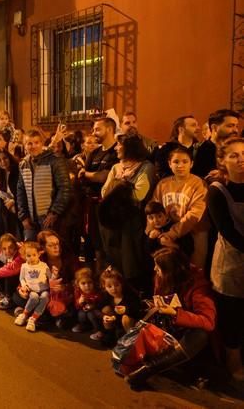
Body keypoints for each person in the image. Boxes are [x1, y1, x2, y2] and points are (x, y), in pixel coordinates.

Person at [125, 248, 216, 389]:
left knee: (200, 335)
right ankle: (139, 360)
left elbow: (208, 321)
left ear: (171, 270)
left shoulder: (198, 285)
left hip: (186, 326)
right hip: (169, 322)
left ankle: (147, 370)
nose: (155, 269)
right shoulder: (162, 277)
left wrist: (175, 313)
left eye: (158, 266)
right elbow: (159, 297)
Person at [207, 137, 244, 381]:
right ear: (222, 160)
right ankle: (233, 360)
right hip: (231, 263)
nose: (241, 160)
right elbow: (228, 230)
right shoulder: (217, 191)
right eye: (234, 155)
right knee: (233, 315)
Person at [100, 134, 156, 292]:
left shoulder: (146, 168)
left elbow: (139, 195)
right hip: (113, 221)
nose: (116, 148)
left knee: (131, 259)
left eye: (119, 145)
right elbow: (105, 192)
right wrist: (119, 184)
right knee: (115, 257)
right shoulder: (116, 167)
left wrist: (119, 184)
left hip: (132, 221)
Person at [149, 146, 208, 267]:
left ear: (191, 164)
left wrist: (173, 233)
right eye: (176, 162)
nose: (180, 165)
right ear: (169, 164)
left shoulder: (199, 183)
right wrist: (152, 229)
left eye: (185, 162)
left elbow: (195, 213)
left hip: (195, 231)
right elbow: (152, 208)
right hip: (167, 232)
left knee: (194, 268)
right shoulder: (163, 184)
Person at [78, 118, 119, 270]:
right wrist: (90, 175)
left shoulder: (117, 151)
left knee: (106, 246)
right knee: (92, 245)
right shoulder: (94, 152)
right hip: (90, 206)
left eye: (97, 129)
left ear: (109, 129)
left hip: (107, 207)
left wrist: (87, 174)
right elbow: (83, 177)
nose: (94, 133)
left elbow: (105, 177)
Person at [17, 129, 72, 241]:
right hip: (31, 218)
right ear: (25, 146)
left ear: (42, 144)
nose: (33, 146)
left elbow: (65, 188)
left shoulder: (55, 161)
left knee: (51, 249)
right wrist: (23, 216)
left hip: (49, 217)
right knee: (31, 250)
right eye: (29, 143)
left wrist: (55, 212)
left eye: (37, 142)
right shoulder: (23, 164)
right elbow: (20, 191)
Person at [14, 241, 52, 332]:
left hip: (44, 289)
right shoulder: (24, 266)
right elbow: (22, 278)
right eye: (28, 256)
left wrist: (54, 275)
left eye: (34, 255)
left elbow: (50, 278)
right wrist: (24, 285)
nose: (31, 258)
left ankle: (33, 319)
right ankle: (24, 314)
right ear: (24, 256)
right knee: (34, 297)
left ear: (39, 254)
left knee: (45, 297)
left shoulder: (44, 265)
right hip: (31, 290)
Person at [97, 267, 141, 346]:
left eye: (117, 285)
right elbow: (98, 308)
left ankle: (130, 339)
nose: (114, 289)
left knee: (125, 318)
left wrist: (126, 309)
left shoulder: (129, 295)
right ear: (104, 287)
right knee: (105, 310)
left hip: (129, 322)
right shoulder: (106, 296)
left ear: (121, 284)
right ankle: (110, 334)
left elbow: (137, 308)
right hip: (115, 320)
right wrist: (104, 317)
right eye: (109, 286)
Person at [193, 109, 241, 181]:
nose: (236, 130)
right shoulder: (201, 150)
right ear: (214, 128)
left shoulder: (240, 147)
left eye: (236, 126)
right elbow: (196, 179)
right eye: (230, 126)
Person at [0, 149, 21, 239]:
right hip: (6, 209)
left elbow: (23, 191)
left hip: (19, 207)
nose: (3, 162)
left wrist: (14, 201)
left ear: (9, 158)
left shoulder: (18, 170)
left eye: (5, 158)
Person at [72, 267, 102, 335]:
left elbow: (100, 301)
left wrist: (92, 304)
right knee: (81, 314)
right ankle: (84, 326)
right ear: (78, 284)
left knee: (91, 314)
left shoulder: (95, 291)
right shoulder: (78, 291)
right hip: (83, 310)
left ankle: (98, 330)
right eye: (83, 283)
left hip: (95, 310)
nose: (87, 286)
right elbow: (76, 306)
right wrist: (79, 302)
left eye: (89, 282)